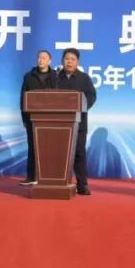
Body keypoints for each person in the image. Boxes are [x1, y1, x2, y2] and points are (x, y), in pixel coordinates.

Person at [54, 47, 97, 195]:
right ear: (62, 61)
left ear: (77, 62)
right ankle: (58, 182)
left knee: (79, 154)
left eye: (73, 59)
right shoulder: (55, 78)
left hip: (78, 124)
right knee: (58, 153)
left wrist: (81, 106)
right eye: (67, 59)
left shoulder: (84, 78)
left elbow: (91, 96)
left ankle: (82, 184)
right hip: (58, 124)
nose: (69, 62)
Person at [19, 50, 57, 186]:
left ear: (50, 61)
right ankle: (31, 176)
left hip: (51, 119)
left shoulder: (56, 76)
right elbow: (23, 98)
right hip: (32, 118)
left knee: (50, 148)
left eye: (44, 58)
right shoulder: (29, 76)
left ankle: (49, 176)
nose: (41, 60)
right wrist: (24, 117)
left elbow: (59, 97)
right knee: (33, 147)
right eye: (39, 57)